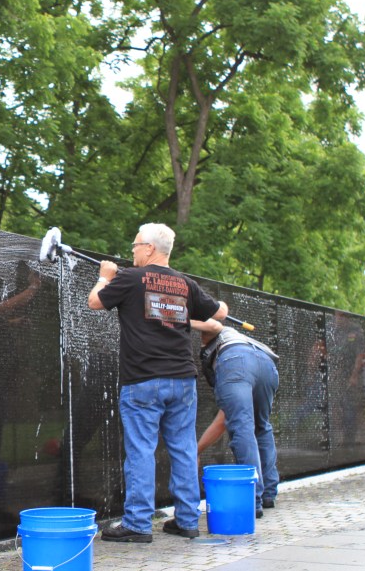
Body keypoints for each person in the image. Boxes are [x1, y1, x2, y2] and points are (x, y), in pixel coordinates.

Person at [88, 223, 227, 542]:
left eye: (136, 245)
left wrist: (104, 277)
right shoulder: (185, 283)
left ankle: (137, 524)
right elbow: (220, 312)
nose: (132, 250)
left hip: (143, 380)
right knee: (184, 448)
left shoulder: (129, 278)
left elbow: (95, 302)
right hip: (183, 380)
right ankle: (187, 521)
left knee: (141, 449)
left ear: (149, 248)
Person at [194, 319, 280, 515]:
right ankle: (268, 493)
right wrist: (197, 450)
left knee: (242, 428)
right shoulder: (238, 337)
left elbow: (214, 324)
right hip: (266, 363)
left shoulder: (216, 332)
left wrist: (182, 317)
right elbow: (223, 419)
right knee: (261, 426)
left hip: (237, 361)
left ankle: (252, 499)